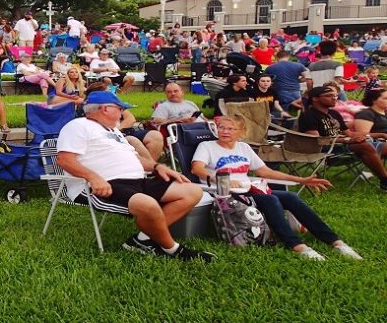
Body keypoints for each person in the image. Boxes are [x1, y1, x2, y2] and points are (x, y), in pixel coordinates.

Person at [56, 91, 216, 262]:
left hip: (138, 181)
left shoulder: (113, 131)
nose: (123, 112)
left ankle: (142, 240)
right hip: (102, 185)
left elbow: (136, 159)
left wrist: (157, 167)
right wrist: (93, 177)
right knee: (149, 205)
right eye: (120, 108)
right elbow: (64, 160)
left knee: (192, 191)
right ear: (105, 109)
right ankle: (172, 249)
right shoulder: (77, 126)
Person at [191, 115, 361, 260]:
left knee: (291, 197)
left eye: (230, 129)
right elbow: (197, 168)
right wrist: (222, 180)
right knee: (270, 199)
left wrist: (301, 180)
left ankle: (336, 242)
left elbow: (266, 172)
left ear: (241, 133)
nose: (225, 132)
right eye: (221, 128)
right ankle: (296, 245)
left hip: (248, 189)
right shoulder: (207, 147)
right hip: (226, 193)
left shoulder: (244, 147)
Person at [300, 86, 387, 192]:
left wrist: (380, 135)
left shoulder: (334, 113)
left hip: (344, 145)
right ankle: (385, 181)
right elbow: (316, 140)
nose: (334, 98)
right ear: (315, 98)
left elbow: (349, 133)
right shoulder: (308, 116)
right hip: (326, 150)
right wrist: (347, 140)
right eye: (328, 96)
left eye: (335, 95)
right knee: (363, 146)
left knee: (384, 147)